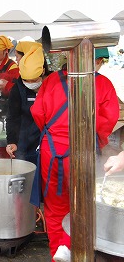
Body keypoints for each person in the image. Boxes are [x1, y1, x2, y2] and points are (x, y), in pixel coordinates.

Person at [30, 47, 119, 261]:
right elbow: (109, 119)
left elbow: (37, 112)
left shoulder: (51, 80)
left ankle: (57, 252)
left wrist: (54, 133)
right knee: (84, 205)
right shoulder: (102, 84)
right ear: (96, 61)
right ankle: (72, 248)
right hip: (83, 151)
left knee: (53, 206)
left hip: (51, 152)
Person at [6, 45, 48, 164]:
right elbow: (12, 118)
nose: (30, 84)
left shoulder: (53, 87)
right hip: (25, 144)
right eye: (26, 81)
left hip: (49, 143)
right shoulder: (17, 89)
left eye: (34, 80)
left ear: (43, 71)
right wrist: (12, 141)